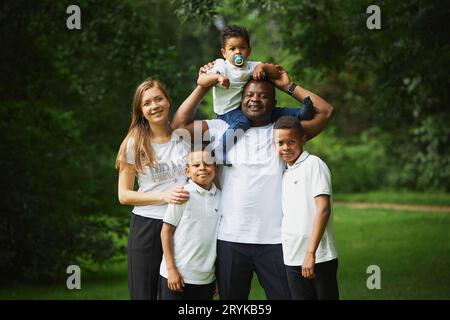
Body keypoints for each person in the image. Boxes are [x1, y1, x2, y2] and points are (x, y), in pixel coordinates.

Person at [171, 65, 333, 300]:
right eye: (249, 95)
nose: (255, 100)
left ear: (273, 102)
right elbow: (178, 126)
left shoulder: (282, 134)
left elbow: (325, 111)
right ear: (240, 99)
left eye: (263, 95)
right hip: (230, 239)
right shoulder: (223, 128)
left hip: (276, 241)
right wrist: (204, 84)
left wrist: (288, 86)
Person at [116, 78, 205, 300]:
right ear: (140, 110)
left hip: (183, 225)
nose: (154, 106)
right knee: (143, 295)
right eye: (147, 103)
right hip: (147, 227)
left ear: (168, 101)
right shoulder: (134, 143)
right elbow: (124, 195)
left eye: (158, 99)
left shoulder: (184, 136)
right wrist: (164, 196)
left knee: (179, 295)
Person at [197, 25, 314, 164]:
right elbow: (201, 80)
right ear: (224, 52)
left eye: (242, 48)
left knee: (275, 112)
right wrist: (217, 78)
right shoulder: (221, 66)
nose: (238, 52)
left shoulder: (252, 66)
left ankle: (302, 113)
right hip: (227, 111)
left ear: (249, 50)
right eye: (232, 49)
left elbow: (275, 72)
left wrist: (263, 67)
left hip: (244, 108)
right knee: (242, 122)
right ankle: (220, 150)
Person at [274, 116, 339, 300]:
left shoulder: (313, 164)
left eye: (291, 141)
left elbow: (323, 209)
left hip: (319, 256)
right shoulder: (285, 172)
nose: (285, 147)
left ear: (303, 139)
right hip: (292, 256)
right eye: (280, 143)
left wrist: (310, 253)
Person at [159, 148, 221, 300]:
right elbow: (165, 232)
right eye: (196, 165)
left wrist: (216, 277)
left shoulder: (221, 197)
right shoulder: (182, 195)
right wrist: (171, 269)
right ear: (187, 171)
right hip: (177, 276)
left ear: (216, 169)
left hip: (206, 278)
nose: (202, 168)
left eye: (208, 164)